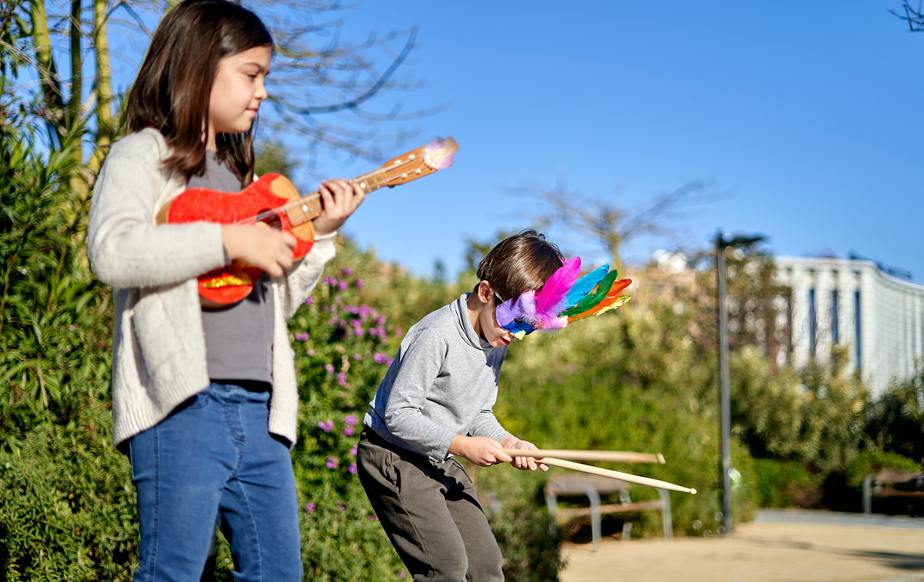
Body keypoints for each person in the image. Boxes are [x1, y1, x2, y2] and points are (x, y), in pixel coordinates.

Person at [86, 1, 364, 579]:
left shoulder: (242, 182)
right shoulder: (144, 155)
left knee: (279, 574)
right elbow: (111, 251)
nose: (262, 92)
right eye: (252, 74)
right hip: (182, 405)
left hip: (261, 412)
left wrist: (324, 238)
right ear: (198, 67)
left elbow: (271, 306)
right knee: (173, 572)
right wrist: (230, 241)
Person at [357, 230, 560, 581]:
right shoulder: (438, 334)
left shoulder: (496, 337)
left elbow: (478, 411)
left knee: (486, 568)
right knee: (446, 568)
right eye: (514, 319)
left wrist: (509, 443)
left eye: (529, 326)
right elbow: (398, 415)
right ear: (485, 292)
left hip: (438, 456)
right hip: (393, 454)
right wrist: (463, 445)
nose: (517, 334)